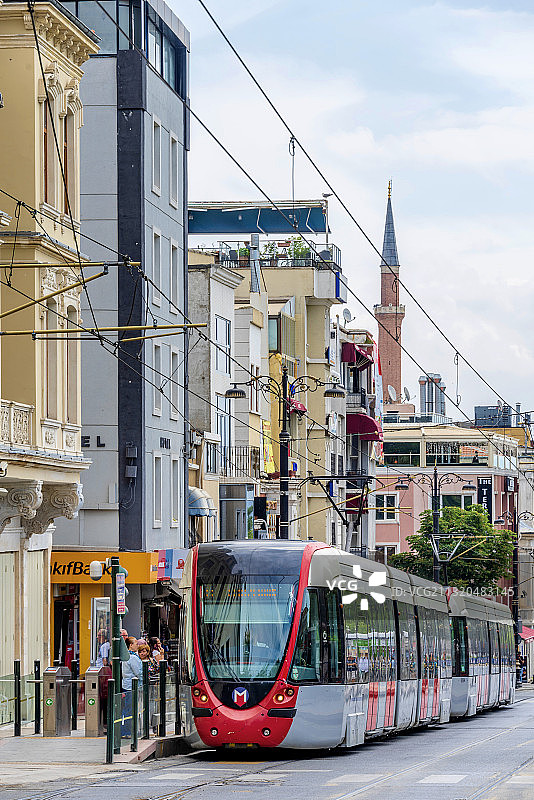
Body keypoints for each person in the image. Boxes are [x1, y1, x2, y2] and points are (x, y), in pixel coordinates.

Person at [122, 637, 143, 737]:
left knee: (128, 708)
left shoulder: (126, 656)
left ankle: (127, 731)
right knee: (130, 709)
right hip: (132, 686)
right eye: (135, 643)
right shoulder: (132, 657)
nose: (137, 645)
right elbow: (138, 672)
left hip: (127, 685)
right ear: (130, 645)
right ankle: (127, 732)